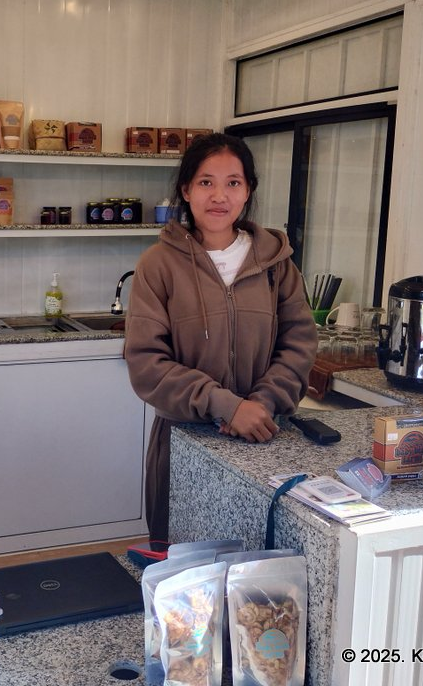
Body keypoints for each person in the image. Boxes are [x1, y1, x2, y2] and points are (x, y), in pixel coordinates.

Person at [124, 132, 317, 541]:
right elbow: (146, 362)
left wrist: (260, 405)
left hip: (264, 437)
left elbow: (299, 343)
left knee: (257, 578)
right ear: (186, 190)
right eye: (206, 182)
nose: (219, 196)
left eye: (233, 182)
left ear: (248, 192)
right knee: (183, 577)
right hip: (184, 440)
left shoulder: (275, 263)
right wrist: (225, 406)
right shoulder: (158, 265)